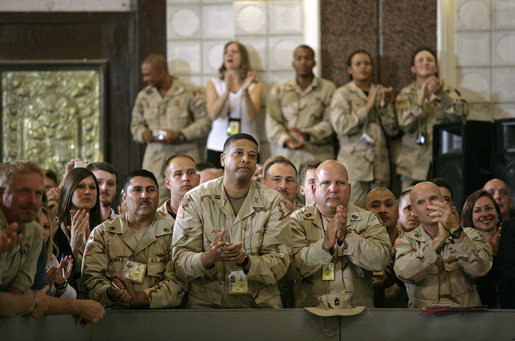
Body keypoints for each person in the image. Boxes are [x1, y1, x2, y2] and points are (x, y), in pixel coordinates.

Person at [172, 133, 291, 308]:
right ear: (223, 159)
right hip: (208, 303)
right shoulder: (196, 199)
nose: (246, 159)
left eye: (252, 155)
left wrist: (244, 261)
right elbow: (180, 261)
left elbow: (280, 263)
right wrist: (209, 257)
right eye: (238, 153)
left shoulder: (274, 202)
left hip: (258, 303)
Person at [0, 161, 104, 326]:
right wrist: (74, 306)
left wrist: (27, 302)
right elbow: (24, 303)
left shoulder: (34, 231)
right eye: (24, 192)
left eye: (38, 193)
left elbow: (31, 297)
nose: (33, 201)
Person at [291, 160, 391, 308]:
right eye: (325, 183)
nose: (333, 189)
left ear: (349, 189)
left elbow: (382, 259)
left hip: (358, 312)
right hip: (311, 311)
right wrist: (324, 246)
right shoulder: (297, 220)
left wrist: (347, 238)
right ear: (313, 189)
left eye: (340, 183)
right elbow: (290, 269)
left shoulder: (368, 219)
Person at [82, 169, 186, 308]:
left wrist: (142, 297)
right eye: (137, 190)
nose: (145, 195)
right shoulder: (103, 233)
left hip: (160, 317)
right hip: (113, 316)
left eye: (150, 190)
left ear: (158, 196)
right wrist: (112, 293)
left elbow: (178, 283)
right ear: (124, 197)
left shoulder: (174, 232)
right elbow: (90, 281)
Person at [394, 182, 492, 308]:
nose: (429, 206)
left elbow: (480, 269)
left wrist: (456, 232)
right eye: (420, 202)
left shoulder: (470, 234)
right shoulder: (407, 241)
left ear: (444, 202)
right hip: (425, 321)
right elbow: (405, 273)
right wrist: (437, 242)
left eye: (433, 199)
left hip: (465, 319)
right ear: (413, 211)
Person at [130, 53, 211, 203]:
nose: (145, 79)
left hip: (185, 155)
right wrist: (143, 134)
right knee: (154, 200)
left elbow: (205, 121)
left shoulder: (190, 92)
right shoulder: (144, 96)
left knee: (192, 200)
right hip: (155, 158)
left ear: (161, 71)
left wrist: (181, 134)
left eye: (148, 74)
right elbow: (135, 125)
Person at [330, 50, 398, 207]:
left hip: (380, 166)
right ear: (349, 69)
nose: (363, 67)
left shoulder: (380, 92)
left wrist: (385, 108)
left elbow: (393, 130)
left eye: (367, 63)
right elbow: (340, 125)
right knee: (355, 215)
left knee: (381, 215)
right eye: (358, 64)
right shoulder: (342, 93)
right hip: (355, 167)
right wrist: (367, 107)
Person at [396, 48, 469, 190]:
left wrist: (441, 95)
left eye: (430, 60)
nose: (425, 63)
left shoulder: (448, 91)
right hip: (412, 164)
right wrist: (420, 99)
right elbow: (403, 124)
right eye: (420, 60)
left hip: (443, 160)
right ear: (413, 69)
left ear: (436, 67)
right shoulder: (406, 93)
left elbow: (462, 114)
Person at [266, 45, 335, 170]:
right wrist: (287, 140)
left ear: (314, 62)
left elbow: (331, 122)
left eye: (308, 58)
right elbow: (272, 121)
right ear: (293, 63)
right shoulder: (279, 90)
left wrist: (307, 135)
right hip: (287, 158)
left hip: (318, 157)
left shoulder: (328, 89)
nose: (303, 62)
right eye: (299, 58)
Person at [206, 41, 263, 168]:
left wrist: (245, 91)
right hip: (218, 146)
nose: (229, 54)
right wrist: (227, 91)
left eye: (234, 51)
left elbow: (251, 117)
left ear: (243, 57)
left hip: (248, 148)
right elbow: (213, 115)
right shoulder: (214, 83)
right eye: (226, 52)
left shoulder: (255, 85)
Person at [55, 168, 102, 290]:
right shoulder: (55, 229)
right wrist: (74, 246)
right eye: (81, 186)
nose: (87, 191)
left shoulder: (104, 228)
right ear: (69, 191)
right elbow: (60, 277)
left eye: (92, 187)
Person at [364, 188, 408, 307]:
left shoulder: (412, 245)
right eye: (375, 205)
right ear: (364, 212)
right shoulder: (357, 247)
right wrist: (382, 284)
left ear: (398, 211)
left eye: (388, 205)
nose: (382, 210)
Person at [461, 190, 503, 308]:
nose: (485, 214)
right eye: (477, 210)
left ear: (497, 213)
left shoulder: (509, 241)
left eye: (489, 208)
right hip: (477, 311)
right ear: (470, 216)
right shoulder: (463, 247)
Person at [36, 207, 76, 299]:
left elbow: (72, 297)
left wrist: (61, 282)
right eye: (35, 225)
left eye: (46, 227)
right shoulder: (14, 258)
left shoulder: (50, 257)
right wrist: (45, 286)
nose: (42, 232)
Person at [157, 154, 200, 223]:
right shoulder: (154, 219)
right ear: (168, 183)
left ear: (198, 179)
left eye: (191, 172)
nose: (186, 178)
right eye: (178, 174)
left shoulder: (211, 213)